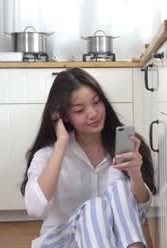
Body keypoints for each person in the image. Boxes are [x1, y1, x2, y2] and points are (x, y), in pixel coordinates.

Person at [20, 68, 156, 248]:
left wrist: (135, 174)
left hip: (114, 241)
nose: (92, 113)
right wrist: (61, 144)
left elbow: (140, 210)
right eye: (79, 110)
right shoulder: (47, 154)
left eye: (96, 102)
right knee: (95, 207)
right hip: (64, 242)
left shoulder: (122, 146)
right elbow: (36, 209)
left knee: (119, 186)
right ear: (63, 116)